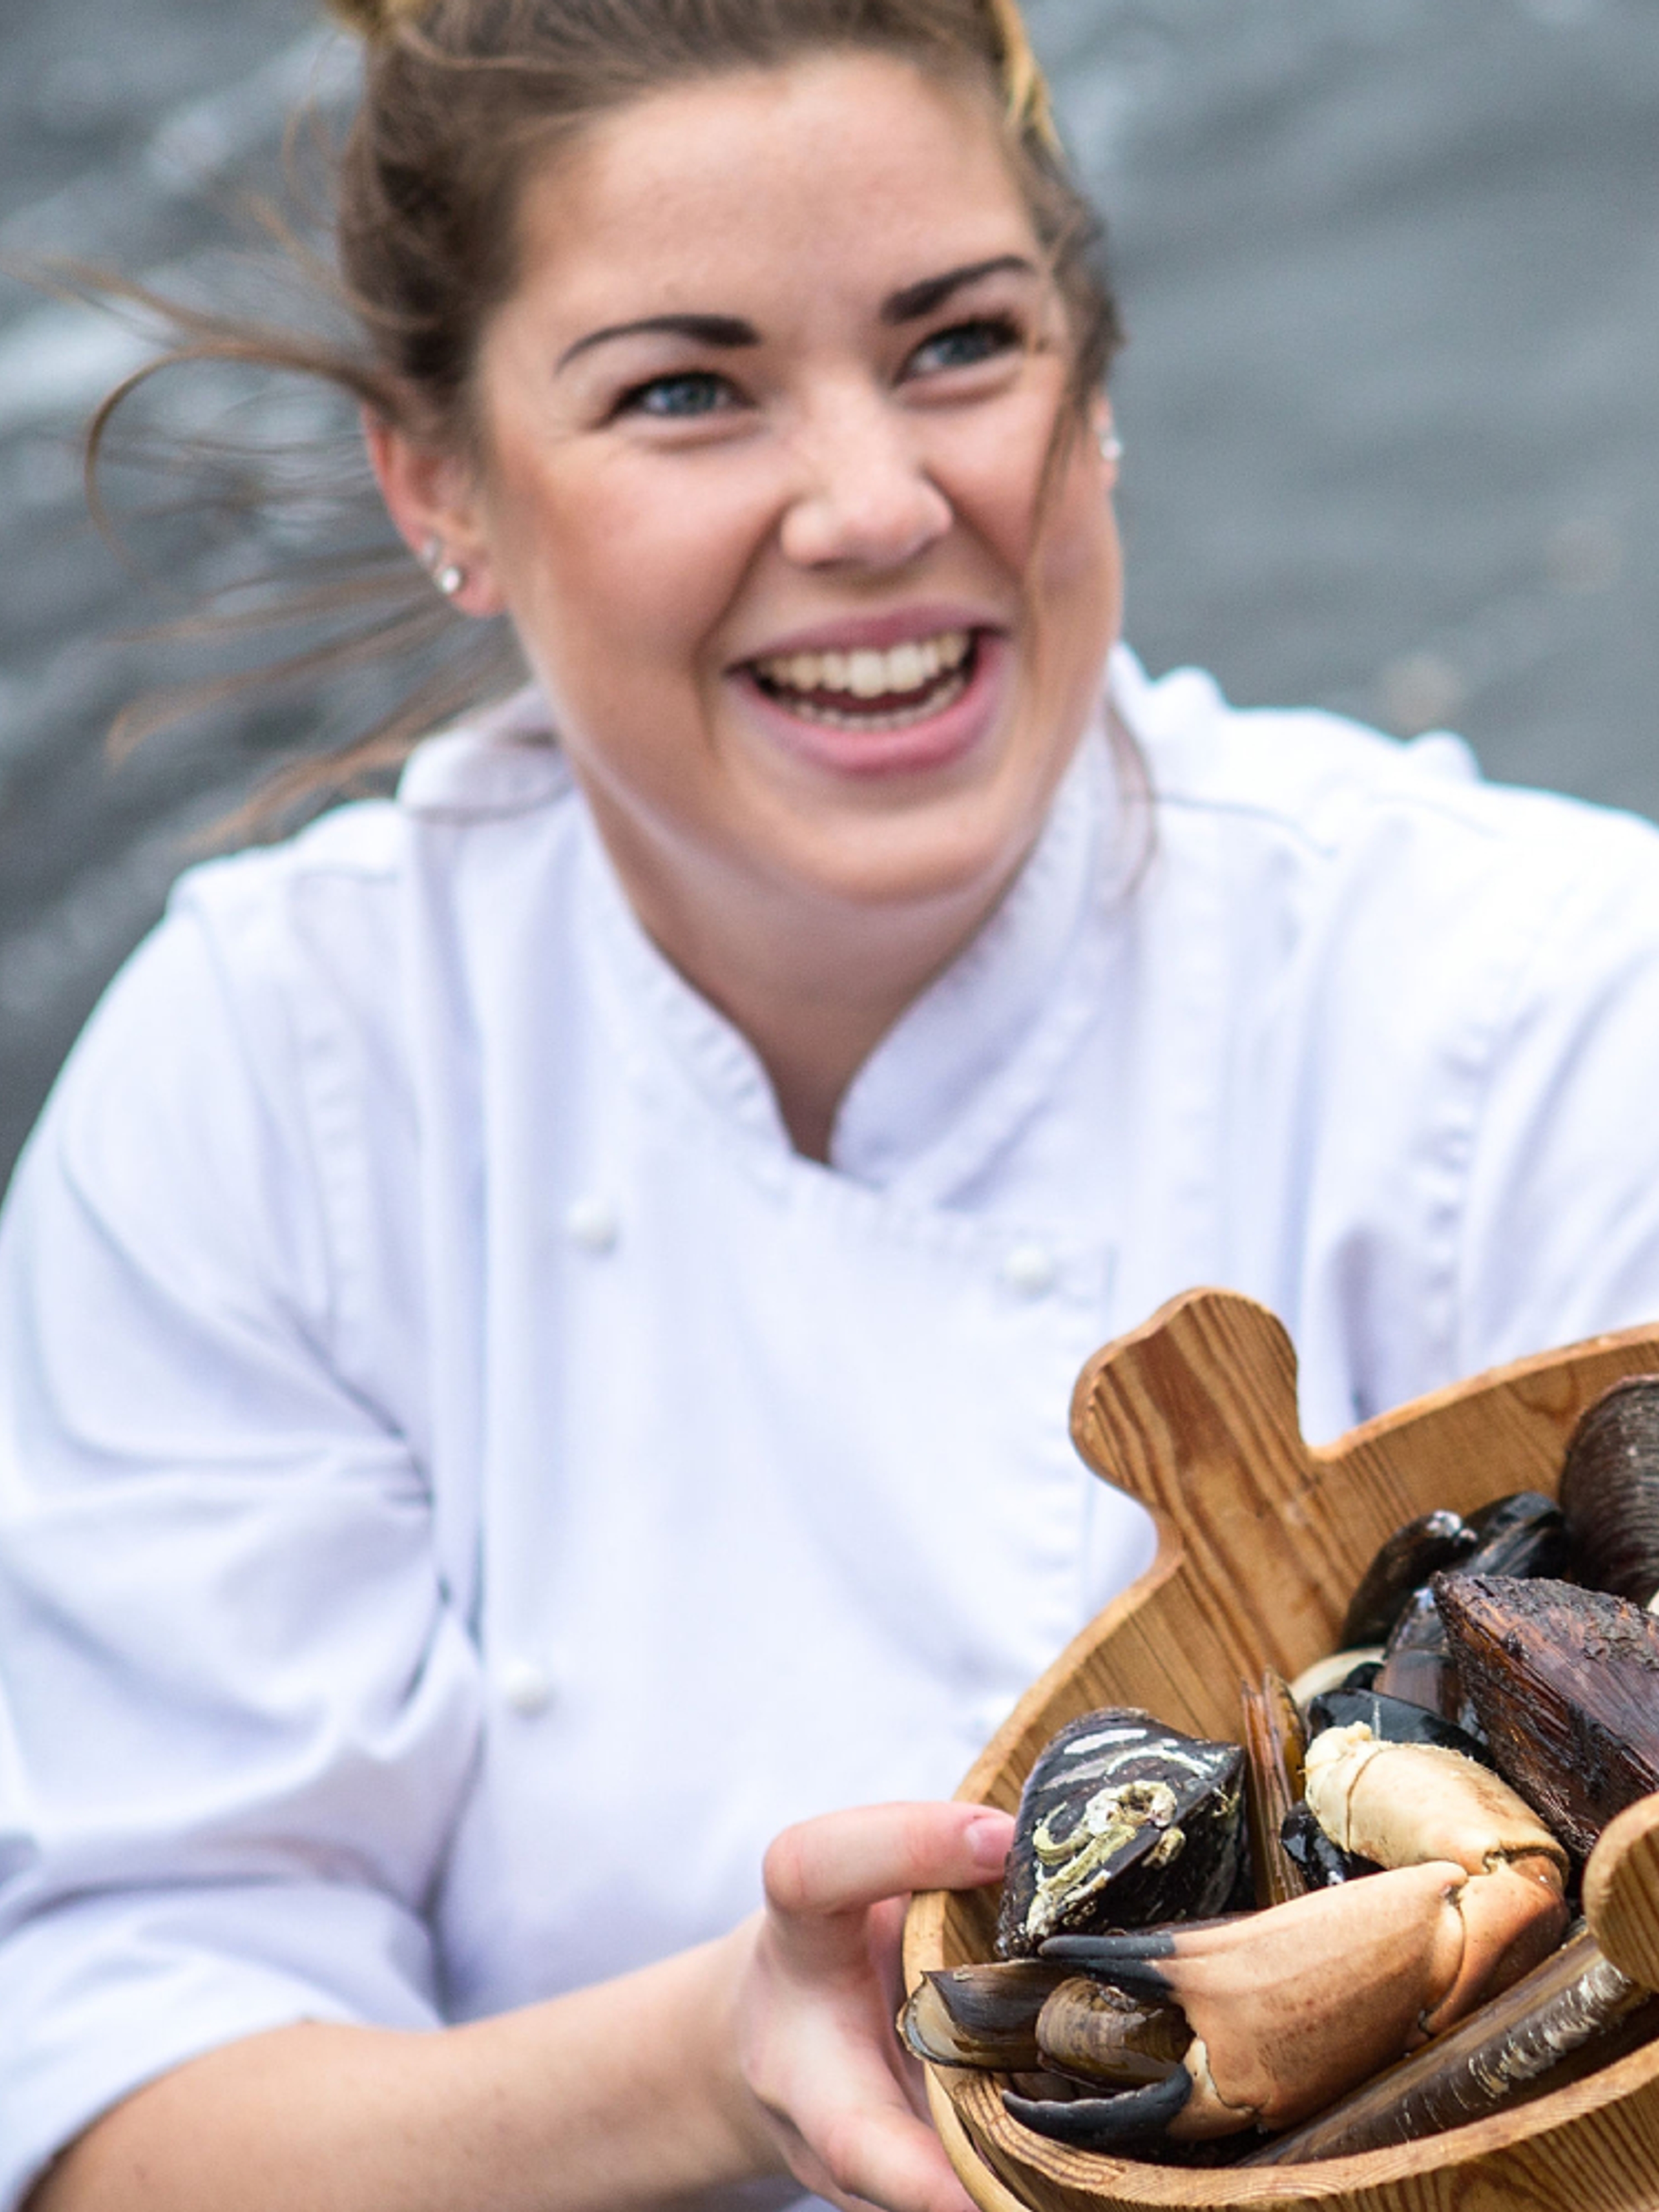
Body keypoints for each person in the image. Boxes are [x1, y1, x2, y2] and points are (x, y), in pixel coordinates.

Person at [4, 1, 1659, 2207]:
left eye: (963, 343)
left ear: (1095, 380)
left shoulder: (1549, 1000)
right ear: (442, 479)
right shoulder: (271, 1080)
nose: (878, 505)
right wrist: (723, 2058)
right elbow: (129, 2109)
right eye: (684, 388)